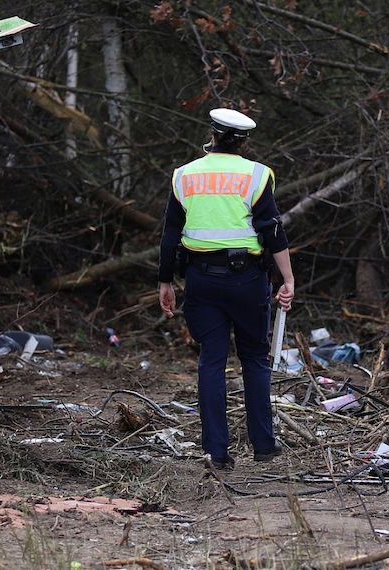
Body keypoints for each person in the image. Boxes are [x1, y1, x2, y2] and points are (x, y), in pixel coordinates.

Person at [158, 108, 295, 471]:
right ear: (244, 141)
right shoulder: (257, 175)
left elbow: (171, 233)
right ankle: (264, 445)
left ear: (212, 135)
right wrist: (288, 280)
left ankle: (216, 452)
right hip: (247, 281)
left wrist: (164, 280)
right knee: (253, 358)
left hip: (201, 280)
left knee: (211, 362)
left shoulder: (184, 175)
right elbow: (272, 230)